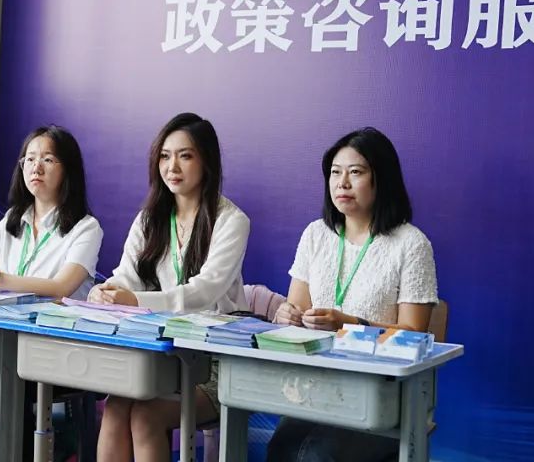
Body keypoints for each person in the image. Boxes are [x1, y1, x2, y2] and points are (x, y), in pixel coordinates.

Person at [267, 127, 438, 462]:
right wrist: (287, 314)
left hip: (381, 393)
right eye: (335, 172)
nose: (342, 183)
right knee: (281, 449)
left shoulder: (411, 244)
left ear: (381, 179)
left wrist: (348, 324)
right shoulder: (316, 234)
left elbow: (415, 335)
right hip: (315, 387)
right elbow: (295, 308)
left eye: (355, 172)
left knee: (313, 455)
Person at [90, 112, 250, 462]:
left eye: (185, 156)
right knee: (115, 406)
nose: (172, 166)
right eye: (164, 156)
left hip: (214, 360)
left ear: (207, 162)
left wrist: (134, 299)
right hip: (163, 353)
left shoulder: (231, 220)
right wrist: (108, 290)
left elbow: (204, 292)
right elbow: (127, 275)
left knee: (146, 416)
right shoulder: (150, 218)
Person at [0, 125, 103, 461]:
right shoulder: (11, 222)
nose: (36, 167)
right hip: (9, 346)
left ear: (68, 169)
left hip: (59, 349)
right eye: (29, 159)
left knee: (4, 383)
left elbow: (61, 288)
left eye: (48, 159)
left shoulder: (85, 228)